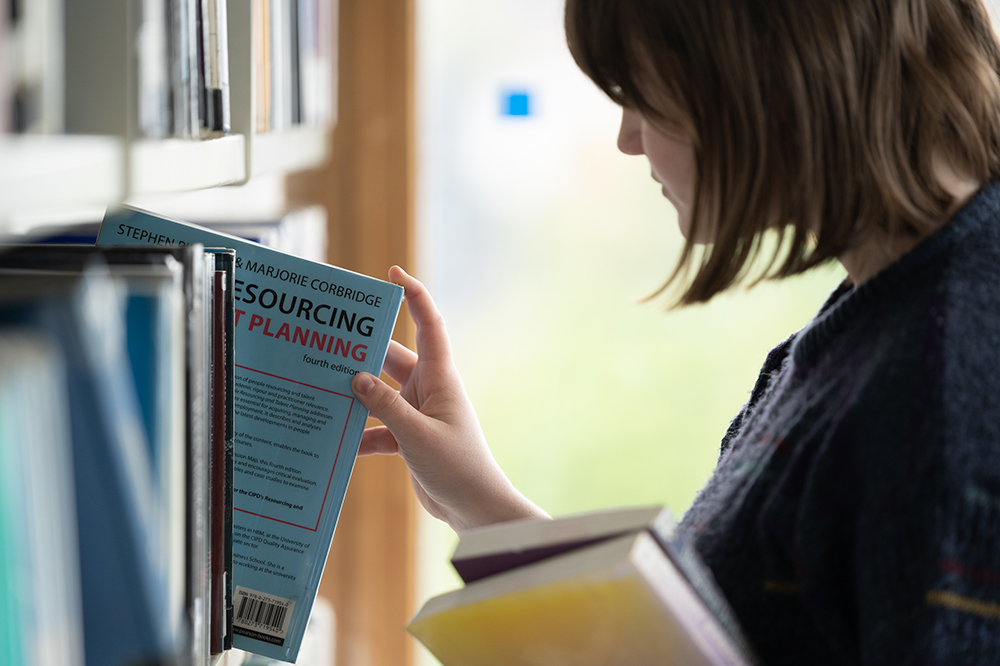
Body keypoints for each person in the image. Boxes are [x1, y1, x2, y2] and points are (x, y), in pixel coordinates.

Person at [351, 0, 1000, 663]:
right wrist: (476, 501)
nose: (628, 139)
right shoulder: (895, 304)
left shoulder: (946, 392)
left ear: (763, 82)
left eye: (641, 97)